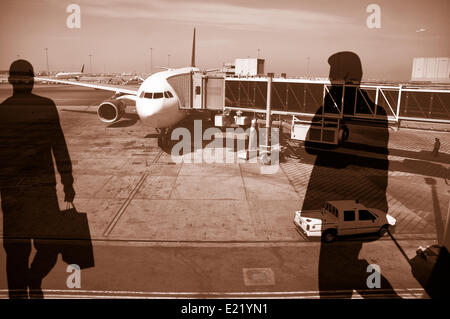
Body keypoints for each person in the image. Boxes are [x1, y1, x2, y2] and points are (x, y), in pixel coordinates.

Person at [302, 52, 398, 298]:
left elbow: (311, 146)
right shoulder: (378, 112)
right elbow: (380, 162)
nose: (329, 79)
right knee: (344, 261)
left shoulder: (333, 111)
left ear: (340, 77)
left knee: (332, 272)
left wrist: (330, 104)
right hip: (362, 204)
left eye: (333, 75)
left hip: (336, 205)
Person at [0, 60, 75, 298]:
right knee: (50, 246)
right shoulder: (47, 106)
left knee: (15, 253)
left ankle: (18, 293)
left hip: (12, 195)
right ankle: (34, 278)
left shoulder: (2, 111)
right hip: (43, 192)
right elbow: (59, 147)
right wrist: (68, 182)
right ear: (33, 79)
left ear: (10, 80)